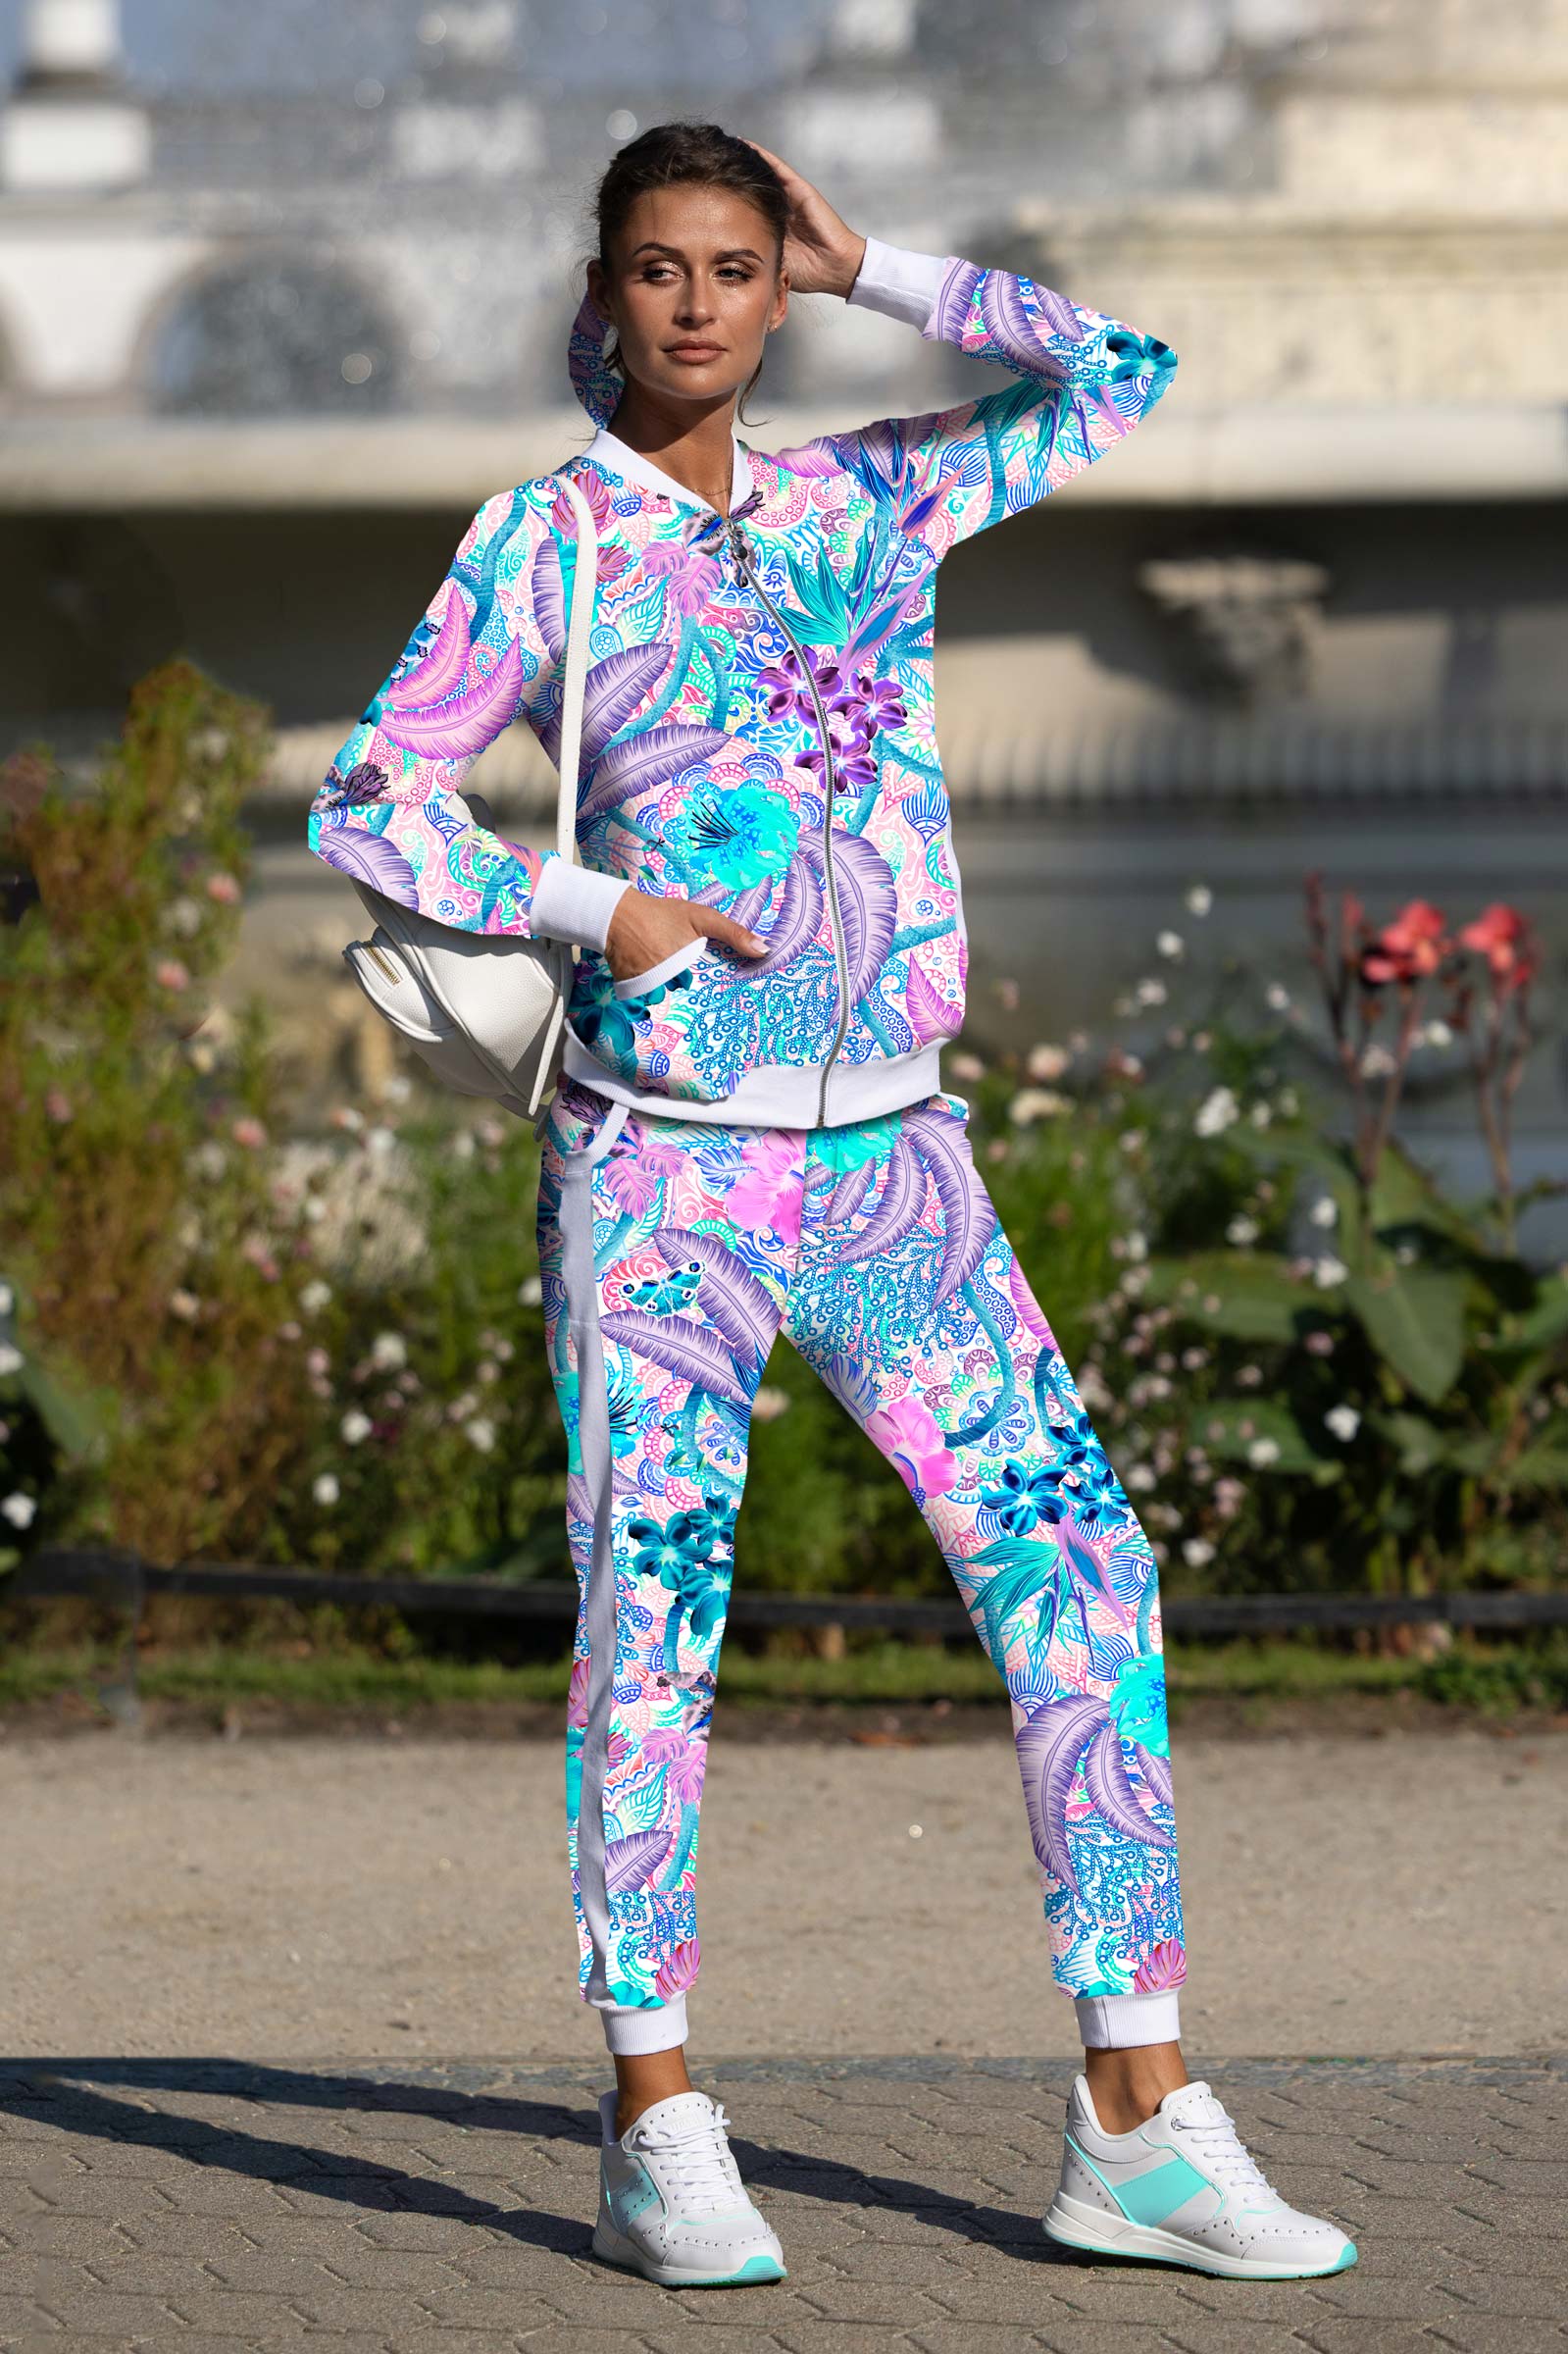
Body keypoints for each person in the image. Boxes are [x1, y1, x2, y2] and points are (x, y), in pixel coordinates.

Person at [309, 120, 1357, 2289]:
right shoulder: (545, 539)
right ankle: (655, 2116)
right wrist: (597, 907)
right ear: (603, 295)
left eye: (738, 268)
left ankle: (1135, 2121)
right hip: (659, 1165)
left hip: (896, 1158)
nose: (699, 303)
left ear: (775, 293)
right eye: (660, 268)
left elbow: (1123, 373)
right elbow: (370, 797)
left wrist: (879, 260)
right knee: (652, 1626)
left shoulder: (868, 499)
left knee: (1083, 1574)